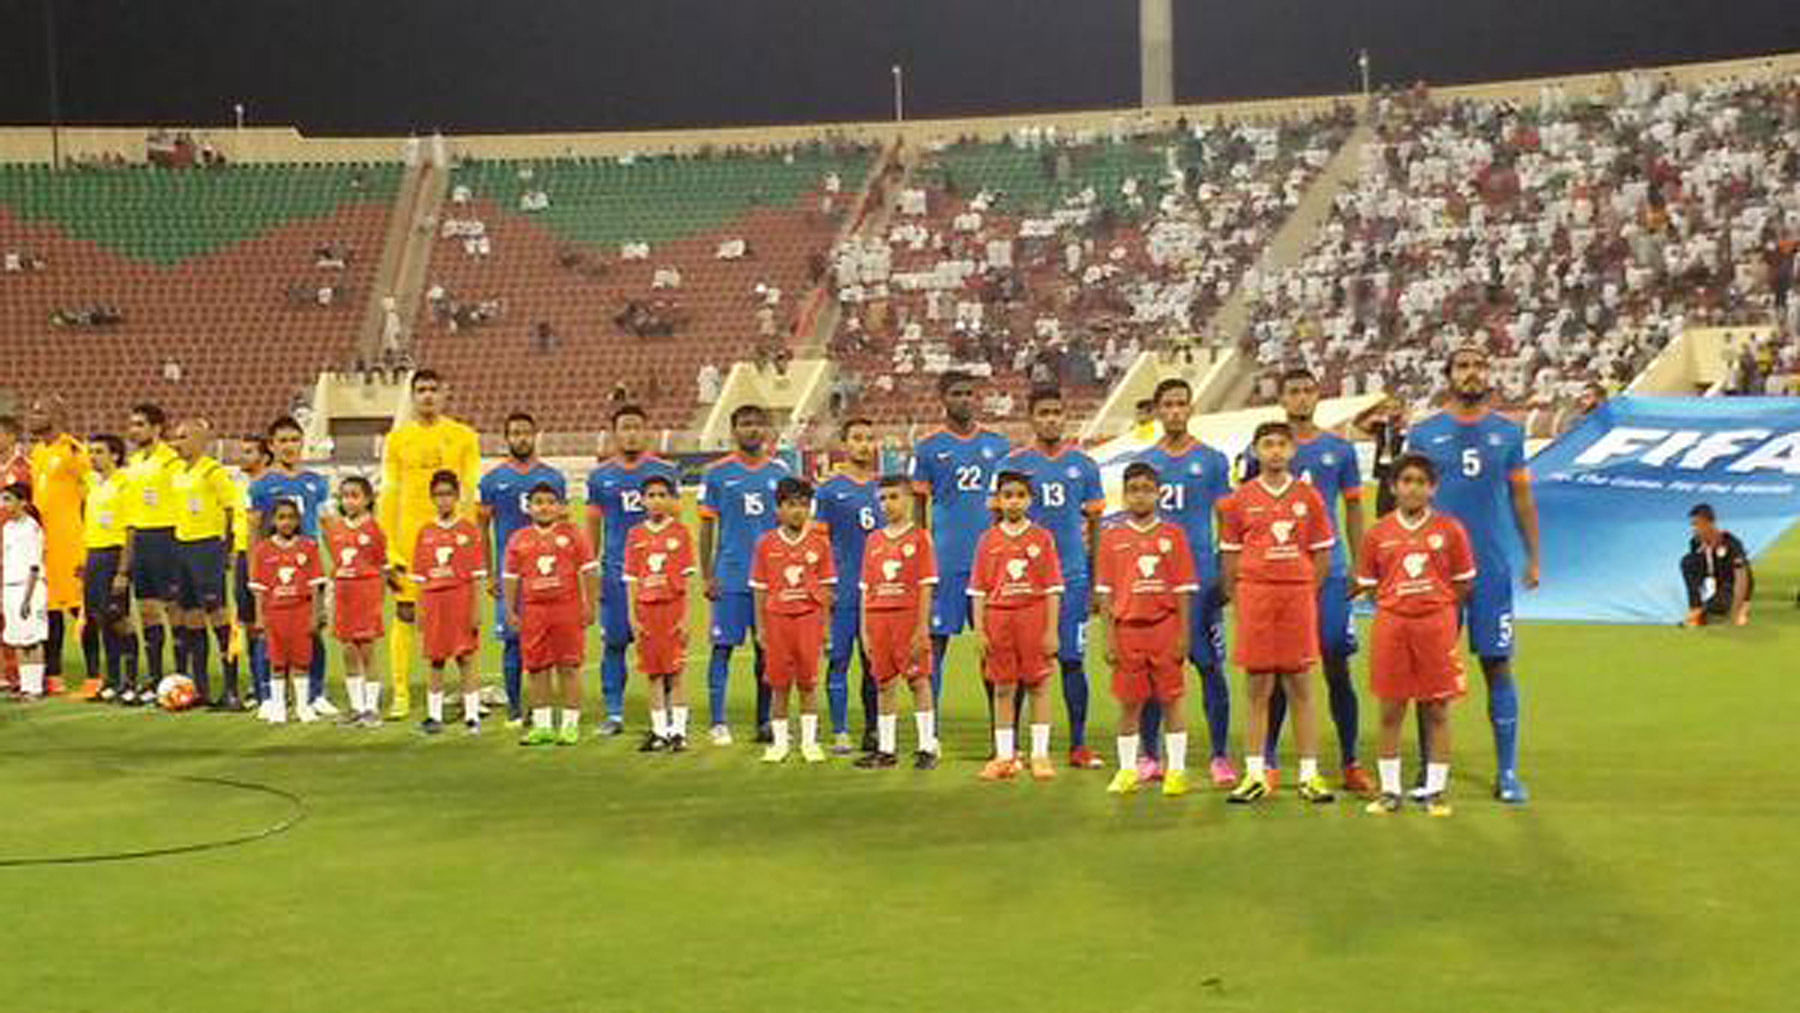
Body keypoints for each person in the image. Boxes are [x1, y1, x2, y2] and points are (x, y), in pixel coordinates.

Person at [1405, 347, 1541, 804]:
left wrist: (1533, 556)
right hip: (1435, 575)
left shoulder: (1507, 433)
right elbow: (1406, 501)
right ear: (1448, 375)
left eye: (1479, 365)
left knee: (1498, 666)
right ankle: (1430, 772)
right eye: (1462, 365)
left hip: (1490, 572)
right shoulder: (1424, 433)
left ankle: (1507, 773)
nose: (1471, 372)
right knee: (1431, 675)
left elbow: (1521, 499)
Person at [1250, 368, 1372, 794]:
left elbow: (1355, 509)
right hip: (1277, 577)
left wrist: (1362, 564)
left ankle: (1351, 761)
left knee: (1337, 663)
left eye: (1307, 391)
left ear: (1317, 396)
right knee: (1278, 667)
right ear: (1282, 399)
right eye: (1293, 392)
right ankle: (1267, 762)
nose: (1301, 399)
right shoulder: (1265, 450)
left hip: (1331, 574)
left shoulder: (1338, 450)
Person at [1219, 421, 1336, 805]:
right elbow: (1230, 557)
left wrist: (1303, 588)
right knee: (1258, 688)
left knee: (1301, 686)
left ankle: (1309, 774)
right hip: (1255, 597)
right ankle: (1254, 773)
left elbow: (1321, 554)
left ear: (1292, 450)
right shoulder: (1239, 500)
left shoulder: (1309, 498)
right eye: (1267, 444)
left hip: (1296, 599)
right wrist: (1239, 598)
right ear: (1255, 450)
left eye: (1281, 444)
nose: (1274, 451)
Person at [1356, 454, 1475, 817]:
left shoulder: (1450, 530)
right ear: (1392, 487)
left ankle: (1435, 791)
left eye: (1421, 482)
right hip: (1392, 626)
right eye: (1406, 481)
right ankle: (1390, 790)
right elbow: (1371, 586)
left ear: (1433, 488)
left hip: (1435, 626)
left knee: (1437, 708)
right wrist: (1398, 605)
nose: (1413, 488)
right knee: (1391, 708)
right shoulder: (1377, 533)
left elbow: (1463, 582)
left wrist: (1434, 606)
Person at [997, 387, 1106, 768]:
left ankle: (1078, 745)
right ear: (1031, 417)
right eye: (1043, 412)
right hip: (1023, 584)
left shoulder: (1084, 465)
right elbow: (997, 526)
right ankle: (1015, 748)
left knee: (1073, 661)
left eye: (1057, 412)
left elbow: (1096, 526)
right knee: (1021, 664)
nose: (1051, 419)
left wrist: (1095, 582)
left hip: (1072, 578)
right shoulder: (1012, 463)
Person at [1133, 378, 1234, 785]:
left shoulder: (1211, 460)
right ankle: (1150, 755)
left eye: (1181, 404)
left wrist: (1227, 576)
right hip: (1154, 583)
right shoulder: (1144, 461)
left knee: (1209, 667)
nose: (1174, 411)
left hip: (1201, 580)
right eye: (1167, 404)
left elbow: (1227, 522)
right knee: (1152, 668)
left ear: (1191, 410)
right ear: (1157, 411)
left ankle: (1220, 756)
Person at [380, 370, 481, 720]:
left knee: (461, 617)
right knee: (406, 614)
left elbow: (468, 491)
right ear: (412, 395)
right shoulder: (397, 439)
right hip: (410, 540)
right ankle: (402, 693)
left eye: (433, 390)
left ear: (444, 394)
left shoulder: (463, 436)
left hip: (453, 542)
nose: (427, 396)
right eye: (420, 390)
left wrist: (466, 542)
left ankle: (467, 696)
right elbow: (390, 494)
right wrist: (389, 550)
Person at [910, 371, 1013, 708]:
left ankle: (1001, 733)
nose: (965, 399)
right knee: (934, 645)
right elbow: (919, 511)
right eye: (957, 393)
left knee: (995, 649)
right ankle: (931, 733)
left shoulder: (999, 447)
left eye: (970, 393)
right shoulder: (928, 448)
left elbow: (1010, 506)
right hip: (945, 563)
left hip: (990, 564)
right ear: (943, 398)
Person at [1096, 462, 1197, 796]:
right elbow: (1106, 593)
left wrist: (1184, 634)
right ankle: (1127, 769)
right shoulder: (1112, 537)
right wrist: (1108, 637)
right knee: (1129, 703)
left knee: (1172, 701)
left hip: (1164, 627)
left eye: (1147, 489)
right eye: (1134, 490)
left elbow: (1183, 590)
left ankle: (1177, 769)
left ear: (1158, 493)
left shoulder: (1173, 535)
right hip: (1127, 630)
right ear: (1124, 496)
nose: (1140, 496)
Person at [584, 405, 679, 735]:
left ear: (647, 430)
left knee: (663, 643)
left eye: (637, 426)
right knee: (615, 642)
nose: (631, 433)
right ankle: (614, 712)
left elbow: (676, 524)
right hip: (615, 573)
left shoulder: (664, 471)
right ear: (614, 433)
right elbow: (593, 527)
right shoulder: (600, 477)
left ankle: (668, 709)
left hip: (658, 575)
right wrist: (591, 572)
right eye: (625, 427)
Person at [698, 403, 787, 745]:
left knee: (767, 652)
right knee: (722, 648)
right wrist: (707, 574)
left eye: (757, 424)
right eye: (745, 424)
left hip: (772, 579)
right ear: (733, 431)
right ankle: (718, 721)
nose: (752, 430)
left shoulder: (779, 473)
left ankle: (764, 721)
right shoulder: (717, 473)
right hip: (731, 576)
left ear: (766, 430)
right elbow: (706, 527)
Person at [971, 471, 1064, 782]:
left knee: (1038, 686)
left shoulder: (1042, 538)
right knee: (1003, 688)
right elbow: (979, 591)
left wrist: (1051, 630)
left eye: (1020, 495)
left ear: (1030, 500)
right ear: (998, 500)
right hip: (999, 620)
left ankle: (1039, 754)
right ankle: (1004, 756)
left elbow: (1052, 588)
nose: (1013, 501)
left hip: (1033, 618)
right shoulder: (988, 540)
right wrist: (980, 631)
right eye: (1007, 495)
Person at [480, 411, 565, 726]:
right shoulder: (492, 480)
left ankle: (542, 706)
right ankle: (516, 708)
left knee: (548, 642)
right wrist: (490, 573)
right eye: (514, 433)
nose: (521, 438)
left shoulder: (553, 478)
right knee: (513, 640)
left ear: (535, 435)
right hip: (510, 575)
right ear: (506, 438)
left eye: (525, 433)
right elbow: (482, 531)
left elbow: (564, 529)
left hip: (547, 574)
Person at [248, 416, 334, 715]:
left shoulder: (316, 482)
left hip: (308, 566)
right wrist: (253, 571)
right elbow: (254, 531)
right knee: (269, 631)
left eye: (294, 440)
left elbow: (326, 523)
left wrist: (335, 561)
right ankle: (269, 697)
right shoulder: (261, 486)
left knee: (314, 628)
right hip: (273, 566)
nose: (289, 446)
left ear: (302, 443)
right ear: (271, 446)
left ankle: (316, 692)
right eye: (282, 441)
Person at [854, 475, 940, 769]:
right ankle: (887, 749)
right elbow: (866, 588)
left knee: (918, 680)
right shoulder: (874, 540)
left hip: (907, 617)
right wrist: (865, 629)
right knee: (883, 684)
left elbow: (926, 585)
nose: (887, 504)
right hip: (879, 619)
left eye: (894, 497)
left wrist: (921, 626)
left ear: (908, 499)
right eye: (882, 499)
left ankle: (927, 747)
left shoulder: (920, 538)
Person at [748, 478, 835, 764]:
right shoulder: (766, 544)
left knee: (809, 682)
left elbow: (827, 589)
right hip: (777, 621)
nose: (798, 511)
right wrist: (761, 627)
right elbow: (760, 589)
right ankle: (780, 742)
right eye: (791, 505)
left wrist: (825, 627)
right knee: (779, 684)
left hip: (809, 619)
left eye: (803, 505)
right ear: (778, 509)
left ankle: (810, 742)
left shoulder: (820, 543)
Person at [508, 483, 599, 746]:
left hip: (566, 609)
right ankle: (543, 725)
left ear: (560, 507)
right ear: (529, 507)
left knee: (569, 666)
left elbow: (590, 570)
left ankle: (570, 724)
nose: (544, 507)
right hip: (534, 611)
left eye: (550, 502)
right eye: (538, 502)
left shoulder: (573, 535)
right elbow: (512, 577)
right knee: (537, 668)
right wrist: (511, 610)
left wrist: (589, 604)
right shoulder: (519, 538)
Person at [813, 417, 881, 754]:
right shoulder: (829, 490)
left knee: (874, 665)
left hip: (879, 594)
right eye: (857, 438)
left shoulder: (885, 489)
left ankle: (873, 729)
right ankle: (840, 731)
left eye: (869, 438)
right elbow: (818, 545)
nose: (864, 445)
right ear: (845, 442)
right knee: (838, 660)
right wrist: (824, 588)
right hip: (842, 591)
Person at [169, 418, 242, 707]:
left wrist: (226, 548)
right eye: (176, 437)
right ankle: (200, 689)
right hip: (182, 547)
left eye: (184, 437)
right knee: (191, 619)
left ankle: (232, 688)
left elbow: (230, 508)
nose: (177, 443)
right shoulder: (177, 473)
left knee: (218, 617)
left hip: (207, 548)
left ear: (201, 440)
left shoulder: (213, 471)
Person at [624, 474, 697, 752]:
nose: (656, 501)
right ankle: (659, 731)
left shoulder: (680, 533)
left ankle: (678, 731)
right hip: (646, 610)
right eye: (651, 496)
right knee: (653, 674)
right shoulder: (636, 535)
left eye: (661, 495)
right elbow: (631, 578)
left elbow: (688, 578)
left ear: (671, 500)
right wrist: (633, 617)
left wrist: (687, 617)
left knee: (676, 672)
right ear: (642, 501)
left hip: (672, 608)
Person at [410, 470, 486, 736]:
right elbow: (419, 577)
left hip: (461, 599)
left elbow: (477, 576)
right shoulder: (425, 532)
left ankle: (472, 715)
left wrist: (476, 610)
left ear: (457, 497)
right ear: (432, 498)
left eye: (448, 495)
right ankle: (433, 715)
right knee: (435, 659)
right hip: (434, 602)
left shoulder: (468, 530)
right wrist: (420, 610)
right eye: (439, 495)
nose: (444, 500)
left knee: (466, 657)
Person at [115, 403, 181, 701]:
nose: (133, 429)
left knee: (174, 610)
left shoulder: (172, 460)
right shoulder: (133, 462)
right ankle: (155, 678)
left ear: (157, 428)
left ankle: (182, 676)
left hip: (167, 538)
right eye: (131, 424)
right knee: (147, 611)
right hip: (140, 539)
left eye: (140, 424)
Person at [25, 399, 90, 695]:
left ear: (58, 416)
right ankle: (54, 676)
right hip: (44, 543)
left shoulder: (72, 451)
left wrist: (90, 540)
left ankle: (98, 675)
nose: (32, 416)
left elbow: (90, 495)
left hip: (71, 543)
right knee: (48, 609)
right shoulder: (37, 452)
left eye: (39, 412)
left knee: (81, 609)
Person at [247, 500, 325, 723]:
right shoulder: (263, 550)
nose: (287, 522)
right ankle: (278, 707)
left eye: (291, 517)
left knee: (302, 661)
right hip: (274, 614)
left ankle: (303, 706)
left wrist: (316, 614)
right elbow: (259, 589)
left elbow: (315, 585)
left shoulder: (308, 547)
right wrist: (259, 619)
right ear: (273, 521)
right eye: (281, 517)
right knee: (277, 662)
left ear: (298, 520)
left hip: (301, 612)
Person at [324, 476, 390, 726]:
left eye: (355, 495)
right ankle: (356, 706)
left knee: (367, 651)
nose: (349, 501)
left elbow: (382, 567)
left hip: (366, 595)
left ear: (367, 499)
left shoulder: (374, 530)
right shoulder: (337, 529)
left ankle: (371, 709)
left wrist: (377, 601)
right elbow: (338, 564)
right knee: (348, 651)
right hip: (344, 596)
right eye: (345, 496)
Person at [82, 434, 139, 703]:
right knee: (101, 619)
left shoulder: (124, 484)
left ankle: (130, 680)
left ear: (115, 455)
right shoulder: (95, 485)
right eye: (91, 452)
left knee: (119, 619)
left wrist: (123, 571)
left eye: (99, 451)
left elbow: (130, 530)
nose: (93, 456)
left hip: (113, 556)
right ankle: (112, 679)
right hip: (94, 555)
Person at [232, 435, 273, 709]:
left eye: (249, 452)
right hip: (242, 557)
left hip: (262, 559)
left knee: (265, 624)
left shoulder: (268, 487)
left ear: (264, 456)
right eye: (241, 451)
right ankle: (256, 684)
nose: (242, 456)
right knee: (248, 623)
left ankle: (270, 684)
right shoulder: (241, 485)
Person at [1, 483, 48, 697]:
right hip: (10, 587)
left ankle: (35, 688)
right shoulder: (8, 528)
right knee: (18, 638)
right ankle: (25, 685)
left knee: (32, 638)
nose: (4, 505)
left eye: (8, 499)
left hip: (28, 587)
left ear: (23, 502)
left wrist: (28, 598)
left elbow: (34, 565)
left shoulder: (31, 528)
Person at [1681, 504, 1752, 628]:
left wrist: (1741, 609)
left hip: (1730, 585)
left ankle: (1705, 610)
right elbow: (1695, 573)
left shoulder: (1731, 543)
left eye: (1697, 524)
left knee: (1720, 606)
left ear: (1710, 523)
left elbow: (1745, 578)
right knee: (1687, 561)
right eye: (1693, 525)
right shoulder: (1695, 543)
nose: (1694, 529)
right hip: (1714, 582)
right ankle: (1695, 607)